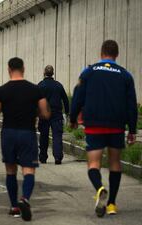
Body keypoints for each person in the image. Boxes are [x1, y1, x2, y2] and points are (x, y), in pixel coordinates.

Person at [70, 40, 138, 217]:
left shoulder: (89, 72)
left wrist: (72, 118)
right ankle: (112, 204)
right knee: (115, 163)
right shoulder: (125, 75)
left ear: (101, 53)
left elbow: (78, 97)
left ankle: (100, 188)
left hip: (94, 125)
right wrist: (132, 130)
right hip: (116, 126)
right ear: (117, 54)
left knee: (93, 163)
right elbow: (131, 105)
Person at [0, 57, 50, 221]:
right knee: (28, 169)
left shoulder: (1, 90)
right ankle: (25, 199)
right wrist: (34, 111)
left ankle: (14, 207)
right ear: (23, 68)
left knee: (10, 170)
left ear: (9, 69)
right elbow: (45, 113)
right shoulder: (35, 90)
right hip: (27, 133)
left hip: (8, 133)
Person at [37, 65, 69, 164]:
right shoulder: (58, 85)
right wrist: (67, 112)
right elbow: (65, 100)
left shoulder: (40, 85)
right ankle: (58, 157)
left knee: (44, 136)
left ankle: (43, 157)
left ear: (44, 73)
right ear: (53, 73)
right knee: (57, 136)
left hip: (44, 114)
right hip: (57, 114)